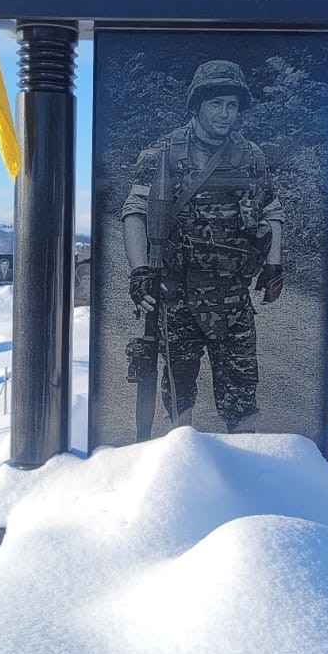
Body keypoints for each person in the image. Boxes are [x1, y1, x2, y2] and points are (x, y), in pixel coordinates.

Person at [121, 59, 283, 434]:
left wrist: (274, 264)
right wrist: (140, 271)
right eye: (216, 105)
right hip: (178, 298)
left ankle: (244, 481)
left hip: (234, 300)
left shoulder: (251, 156)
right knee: (179, 405)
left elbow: (272, 208)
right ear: (197, 105)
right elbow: (135, 212)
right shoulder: (163, 154)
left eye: (232, 105)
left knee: (242, 406)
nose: (225, 114)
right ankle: (180, 472)